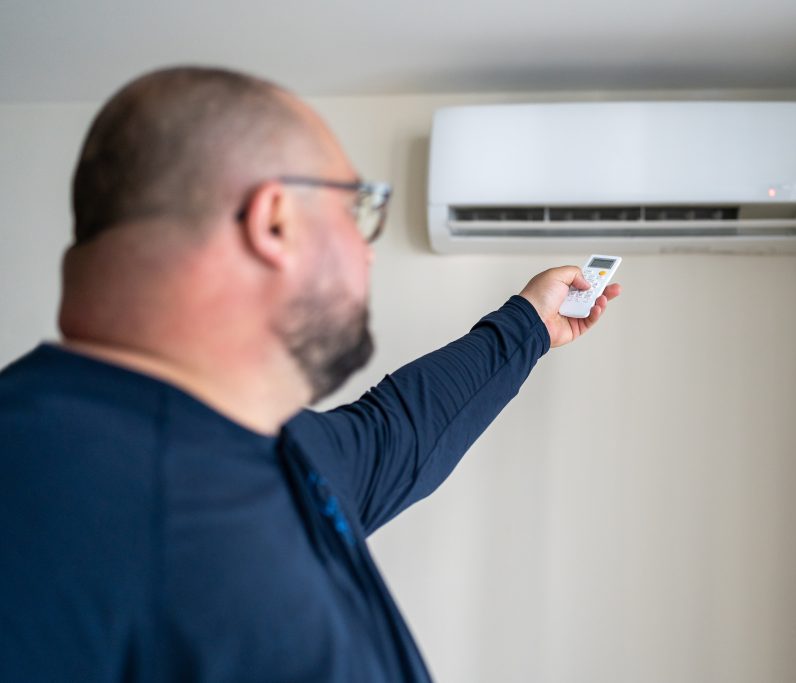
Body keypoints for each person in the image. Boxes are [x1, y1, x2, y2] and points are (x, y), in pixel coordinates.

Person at [0, 66, 621, 681]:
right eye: (356, 210)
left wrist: (531, 325)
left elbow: (398, 434)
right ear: (274, 221)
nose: (367, 249)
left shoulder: (277, 449)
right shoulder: (38, 496)